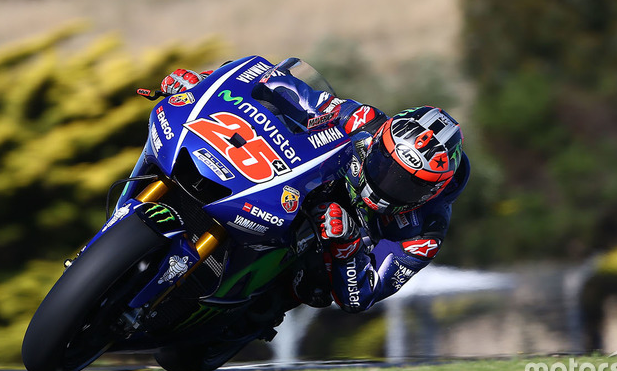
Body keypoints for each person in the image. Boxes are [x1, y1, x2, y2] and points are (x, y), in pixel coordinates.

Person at [160, 63, 469, 314]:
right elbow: (287, 90)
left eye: (409, 184)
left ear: (432, 192)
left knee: (311, 287)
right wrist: (204, 83)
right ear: (379, 141)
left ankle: (246, 308)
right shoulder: (364, 120)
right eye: (386, 165)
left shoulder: (425, 232)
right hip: (285, 189)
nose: (388, 184)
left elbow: (363, 296)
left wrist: (347, 246)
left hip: (325, 256)